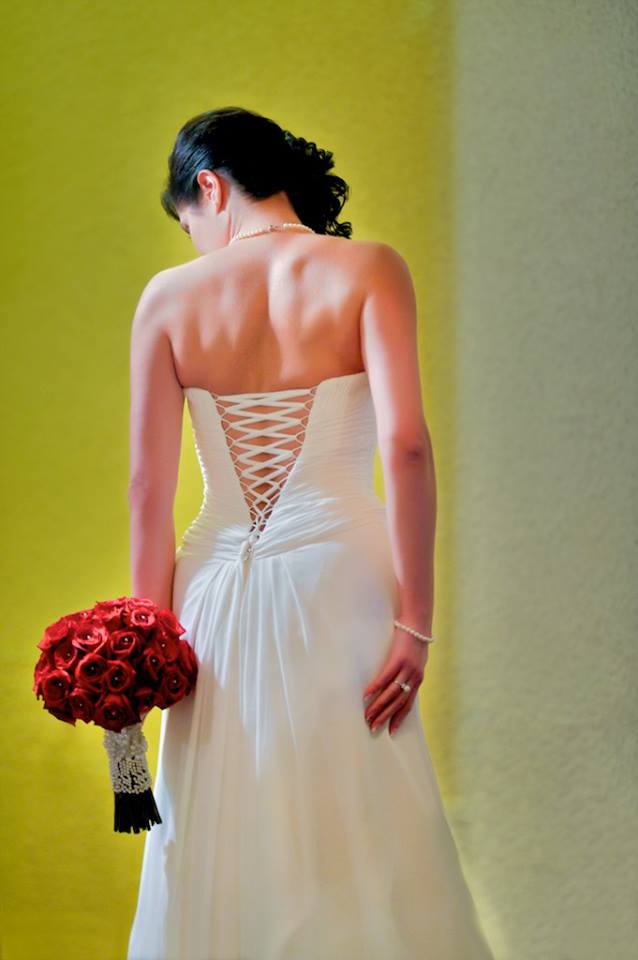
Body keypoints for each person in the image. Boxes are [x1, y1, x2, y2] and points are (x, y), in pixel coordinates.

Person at [126, 106, 493, 960]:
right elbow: (406, 446)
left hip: (210, 591)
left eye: (188, 222)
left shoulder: (168, 299)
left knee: (220, 824)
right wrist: (416, 622)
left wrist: (148, 642)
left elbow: (148, 489)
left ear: (210, 187)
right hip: (340, 577)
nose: (195, 242)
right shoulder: (368, 269)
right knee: (358, 816)